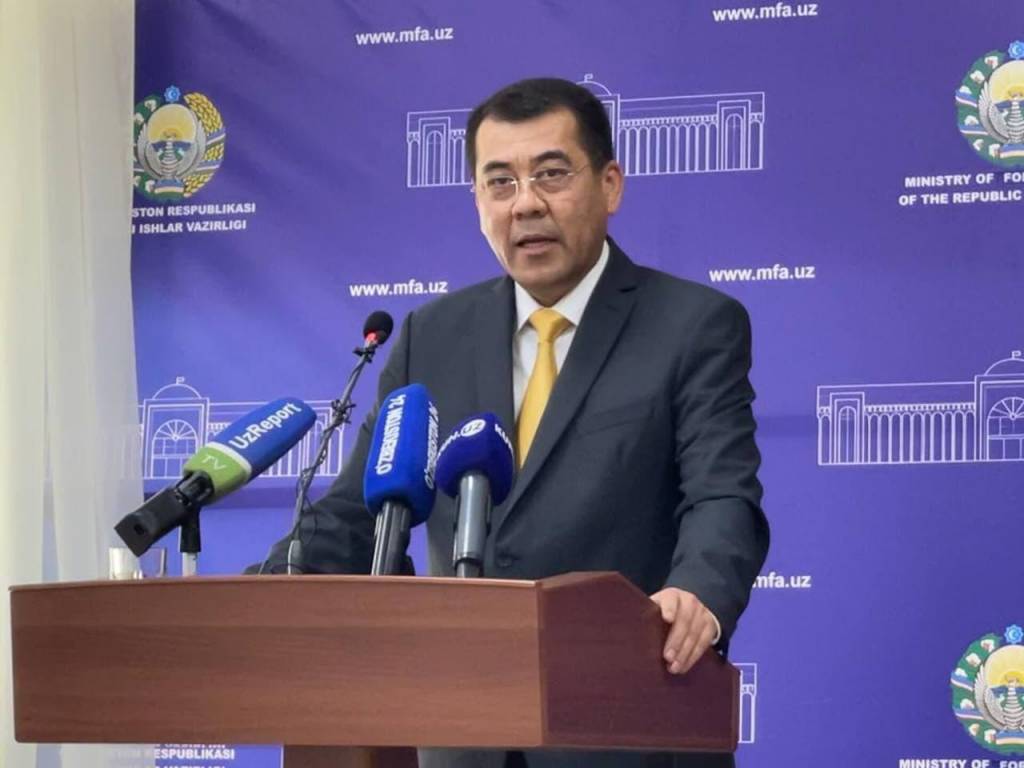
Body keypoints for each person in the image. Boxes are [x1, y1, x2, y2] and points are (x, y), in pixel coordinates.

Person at [255, 78, 769, 768]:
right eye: (499, 182)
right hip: (462, 730)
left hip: (626, 726)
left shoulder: (692, 325)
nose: (525, 202)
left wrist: (699, 591)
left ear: (610, 185)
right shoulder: (431, 336)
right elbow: (357, 513)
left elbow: (722, 494)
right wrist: (257, 594)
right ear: (478, 203)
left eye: (551, 174)